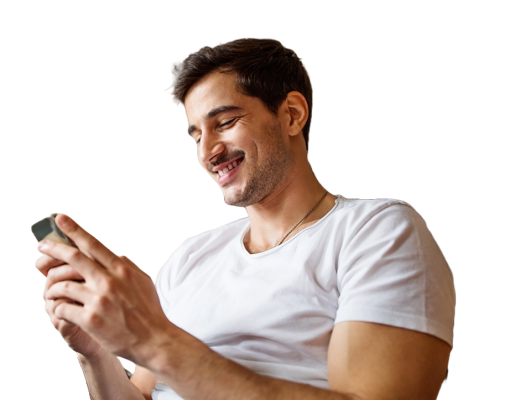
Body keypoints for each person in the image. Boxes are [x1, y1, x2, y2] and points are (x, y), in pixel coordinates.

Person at [35, 37, 456, 400]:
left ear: (292, 114)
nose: (207, 152)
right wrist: (96, 354)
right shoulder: (191, 257)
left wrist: (152, 340)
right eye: (197, 134)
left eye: (225, 122)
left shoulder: (377, 231)